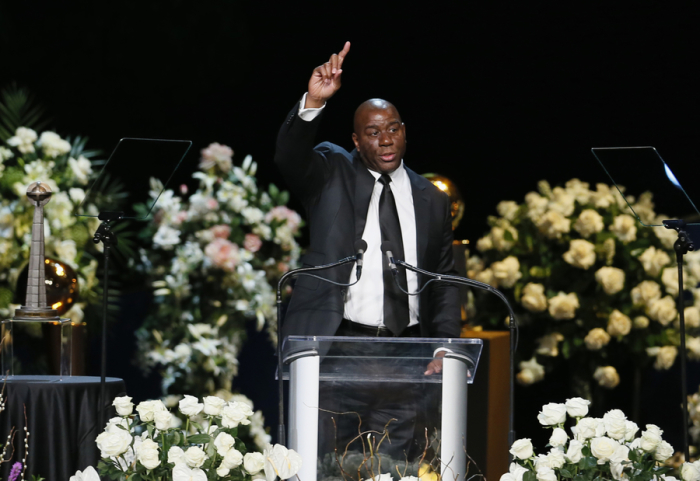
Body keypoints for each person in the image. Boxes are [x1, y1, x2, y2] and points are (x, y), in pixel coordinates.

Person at [274, 42, 461, 463]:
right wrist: (313, 102)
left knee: (394, 468)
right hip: (338, 347)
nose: (386, 140)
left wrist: (445, 344)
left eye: (393, 128)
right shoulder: (330, 170)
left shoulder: (431, 198)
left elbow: (445, 280)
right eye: (373, 133)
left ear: (405, 130)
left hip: (405, 355)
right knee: (325, 464)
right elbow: (289, 157)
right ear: (357, 141)